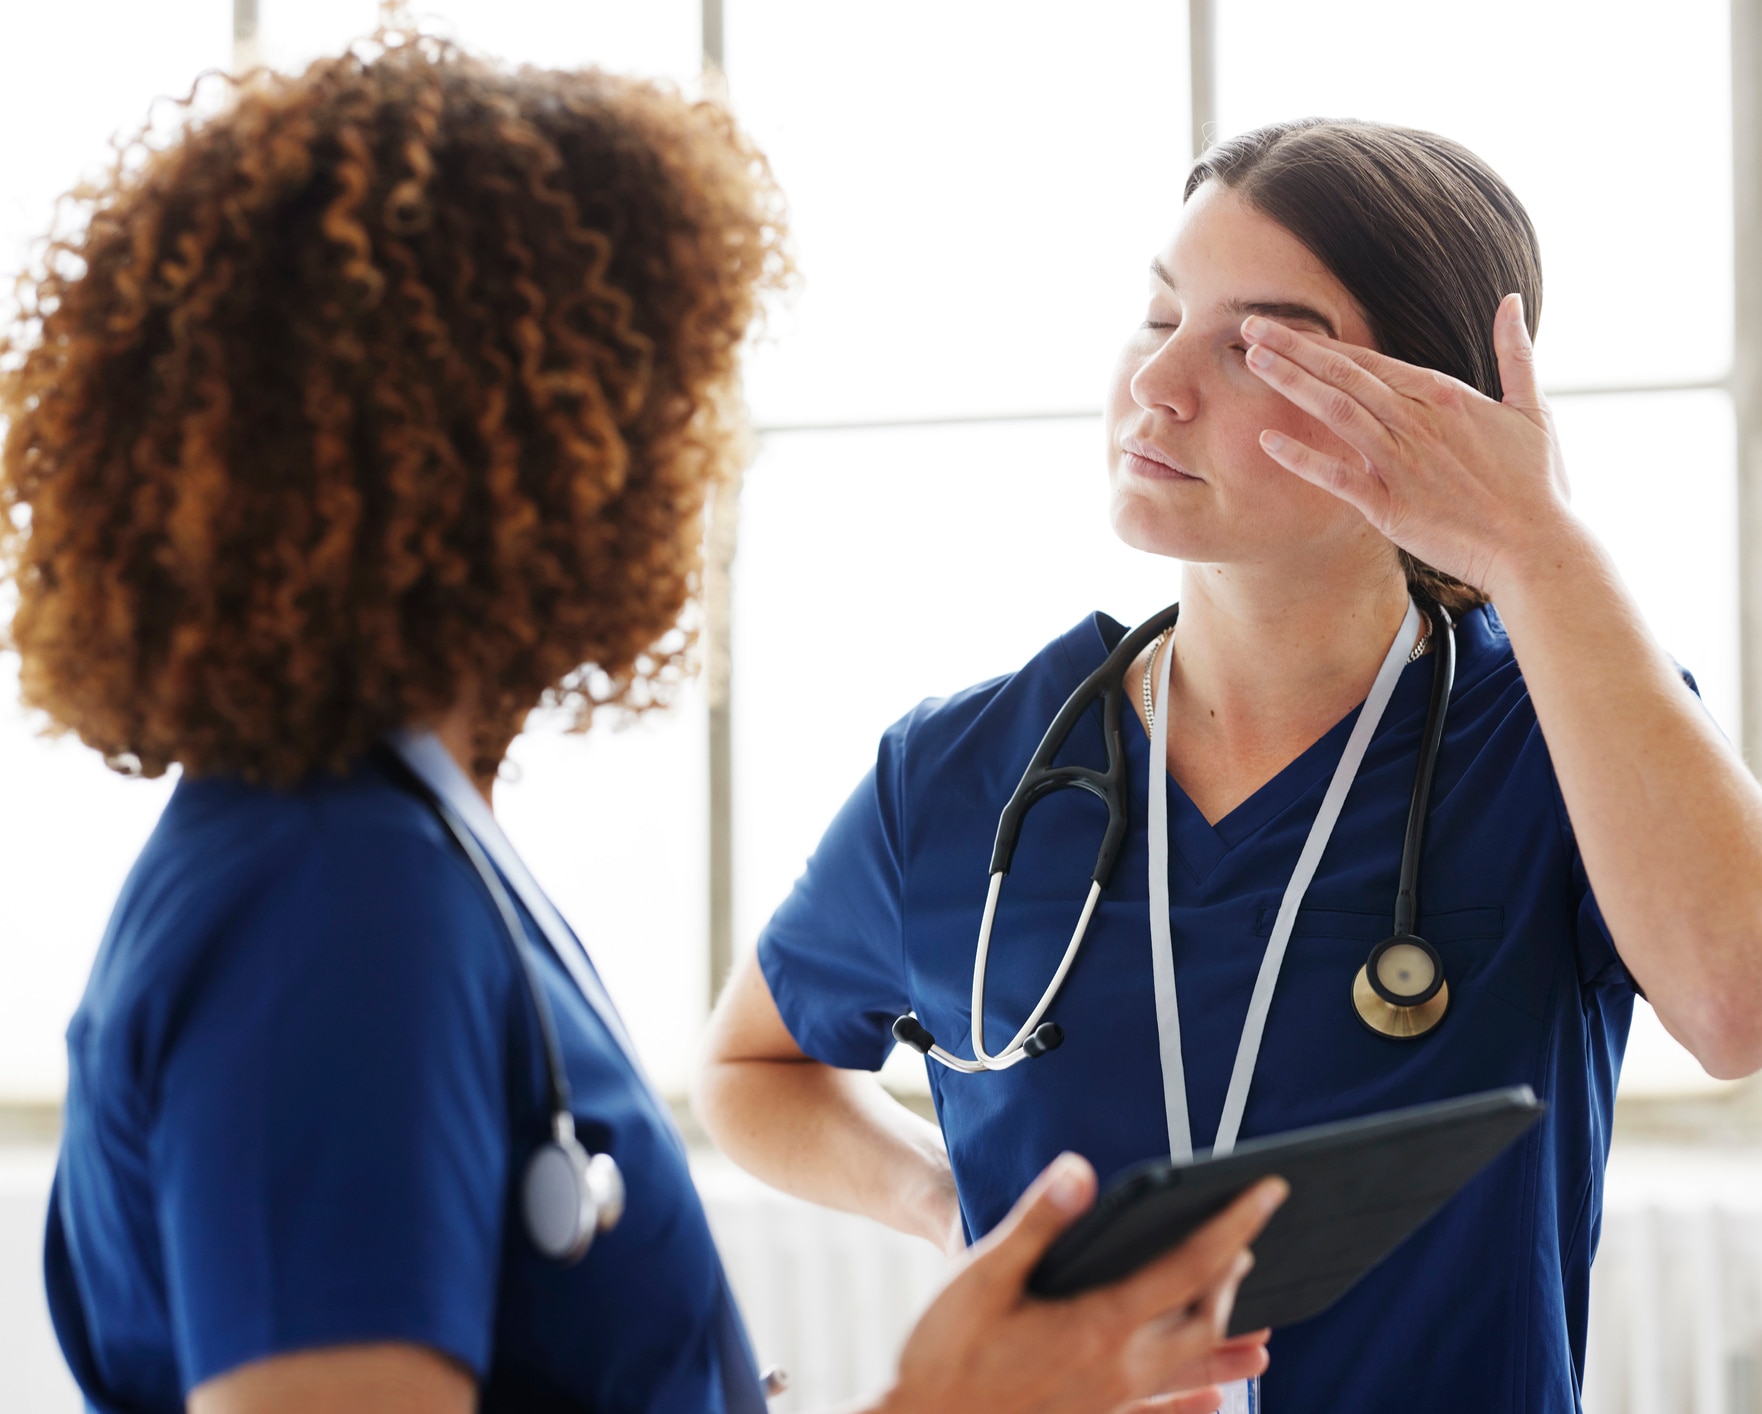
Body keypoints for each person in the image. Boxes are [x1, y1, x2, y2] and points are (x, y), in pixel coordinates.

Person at [2, 35, 1283, 1414]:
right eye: (665, 393)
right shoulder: (331, 896)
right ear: (518, 444)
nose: (698, 455)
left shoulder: (402, 841)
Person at [697, 119, 1762, 1412]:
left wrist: (1536, 540)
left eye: (1253, 344)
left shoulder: (1554, 731)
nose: (1158, 382)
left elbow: (1749, 1004)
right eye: (1158, 311)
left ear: (1427, 408)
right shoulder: (965, 772)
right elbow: (748, 1068)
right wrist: (947, 1200)